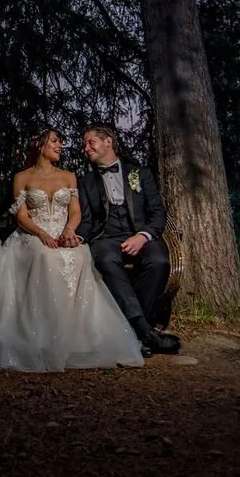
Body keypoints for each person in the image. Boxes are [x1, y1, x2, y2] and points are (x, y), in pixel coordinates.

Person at [0, 127, 144, 371]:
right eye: (55, 141)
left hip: (63, 233)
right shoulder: (22, 177)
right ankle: (41, 335)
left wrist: (69, 231)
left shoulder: (68, 176)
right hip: (32, 234)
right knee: (44, 257)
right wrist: (41, 233)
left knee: (80, 255)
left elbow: (75, 211)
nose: (60, 146)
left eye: (61, 142)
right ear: (40, 145)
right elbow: (21, 216)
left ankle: (77, 336)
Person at [76, 124, 181, 357]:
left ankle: (132, 331)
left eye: (90, 142)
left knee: (159, 262)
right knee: (105, 260)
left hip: (141, 235)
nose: (85, 148)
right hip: (106, 237)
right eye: (84, 144)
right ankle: (145, 331)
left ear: (108, 142)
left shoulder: (140, 174)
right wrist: (77, 236)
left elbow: (158, 212)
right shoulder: (84, 182)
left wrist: (142, 236)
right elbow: (85, 220)